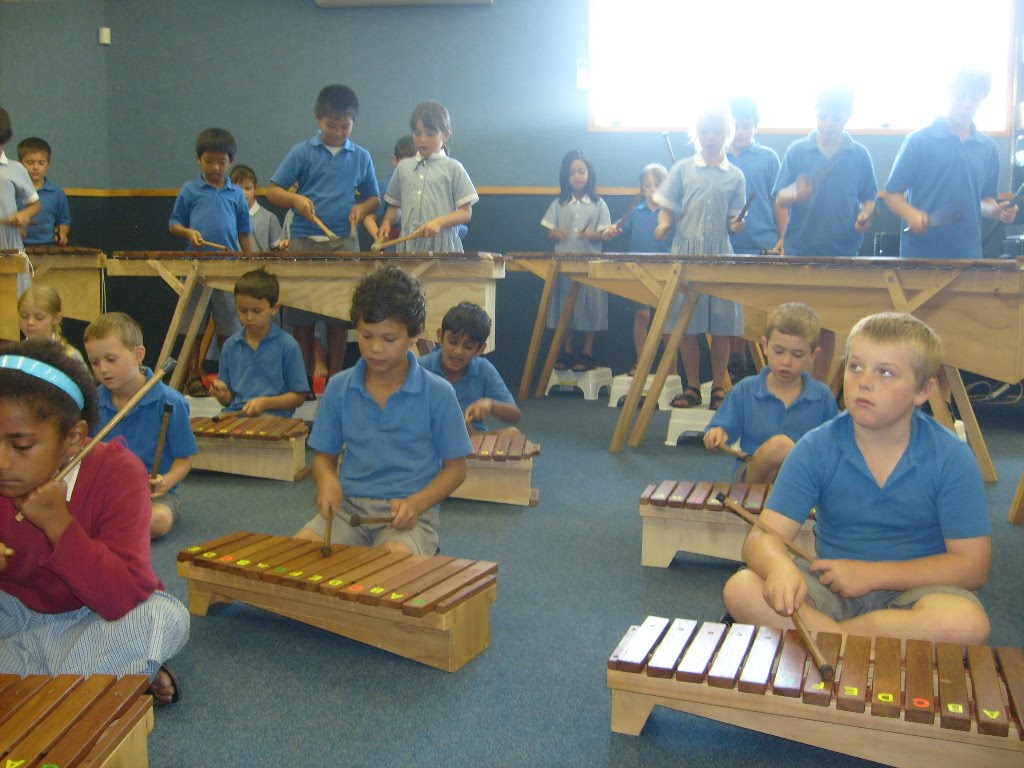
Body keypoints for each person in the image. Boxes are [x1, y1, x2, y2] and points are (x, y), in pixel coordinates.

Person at [722, 313, 991, 646]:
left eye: (886, 372)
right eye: (856, 367)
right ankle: (864, 643)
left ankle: (832, 642)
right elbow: (761, 538)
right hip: (832, 591)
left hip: (918, 592)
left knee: (966, 622)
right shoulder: (815, 447)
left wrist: (873, 575)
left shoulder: (952, 458)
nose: (864, 382)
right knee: (741, 588)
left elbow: (972, 567)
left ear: (923, 390)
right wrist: (778, 566)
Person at [0, 338, 189, 704]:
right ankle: (108, 680)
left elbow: (120, 598)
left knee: (160, 617)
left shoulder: (118, 473)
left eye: (21, 446)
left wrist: (59, 524)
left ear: (74, 438)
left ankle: (51, 686)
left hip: (94, 616)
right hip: (13, 613)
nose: (2, 462)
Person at [295, 266, 471, 555]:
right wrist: (327, 481)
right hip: (347, 512)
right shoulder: (339, 388)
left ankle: (420, 552)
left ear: (416, 333)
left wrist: (416, 504)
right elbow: (323, 459)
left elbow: (457, 469)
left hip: (408, 516)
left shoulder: (438, 394)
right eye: (366, 336)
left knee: (387, 572)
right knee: (296, 558)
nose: (375, 348)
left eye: (389, 339)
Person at [267, 84, 380, 378]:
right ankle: (303, 382)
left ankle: (335, 379)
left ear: (353, 122)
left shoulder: (360, 156)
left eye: (345, 126)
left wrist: (362, 209)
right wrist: (295, 199)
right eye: (332, 125)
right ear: (318, 119)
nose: (339, 132)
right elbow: (273, 192)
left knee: (340, 317)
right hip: (304, 241)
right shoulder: (302, 152)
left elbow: (374, 198)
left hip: (344, 242)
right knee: (302, 316)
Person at [773, 85, 878, 382]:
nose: (828, 123)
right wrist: (795, 192)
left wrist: (865, 214)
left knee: (827, 325)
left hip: (841, 251)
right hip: (801, 249)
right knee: (796, 325)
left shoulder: (859, 155)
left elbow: (869, 196)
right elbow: (779, 195)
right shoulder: (797, 151)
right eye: (823, 116)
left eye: (835, 117)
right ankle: (793, 385)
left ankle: (818, 389)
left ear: (847, 117)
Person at [653, 106, 746, 410]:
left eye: (716, 131)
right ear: (697, 133)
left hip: (719, 256)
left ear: (726, 134)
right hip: (685, 255)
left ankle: (718, 387)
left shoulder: (735, 175)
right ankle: (691, 386)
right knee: (685, 326)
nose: (710, 137)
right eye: (704, 131)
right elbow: (666, 206)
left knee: (721, 327)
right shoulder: (682, 168)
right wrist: (664, 223)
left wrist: (736, 225)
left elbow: (735, 219)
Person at [881, 67, 1018, 260]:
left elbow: (983, 200)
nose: (966, 104)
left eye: (974, 99)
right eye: (960, 96)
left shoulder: (988, 148)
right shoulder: (918, 141)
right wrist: (911, 214)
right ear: (947, 93)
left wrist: (995, 210)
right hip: (920, 256)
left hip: (968, 255)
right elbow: (892, 194)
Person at [83, 312, 197, 540]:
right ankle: (115, 527)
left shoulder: (171, 402)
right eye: (95, 362)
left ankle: (107, 529)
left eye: (111, 360)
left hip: (154, 498)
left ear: (138, 354)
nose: (102, 369)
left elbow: (185, 459)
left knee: (160, 520)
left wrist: (167, 482)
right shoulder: (93, 402)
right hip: (108, 493)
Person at [703, 303, 838, 483]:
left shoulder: (822, 397)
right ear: (765, 345)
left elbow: (834, 446)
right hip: (753, 476)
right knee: (780, 446)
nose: (786, 361)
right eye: (778, 351)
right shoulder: (745, 390)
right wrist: (716, 434)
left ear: (813, 355)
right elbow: (721, 429)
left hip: (804, 480)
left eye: (797, 355)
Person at [168, 127, 254, 392]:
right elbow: (174, 224)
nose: (215, 167)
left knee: (228, 323)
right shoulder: (190, 190)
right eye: (209, 161)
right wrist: (187, 232)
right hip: (196, 266)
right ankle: (193, 372)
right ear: (198, 160)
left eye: (221, 162)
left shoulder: (236, 194)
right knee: (192, 324)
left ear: (231, 162)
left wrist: (251, 265)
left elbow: (244, 232)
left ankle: (226, 374)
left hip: (227, 268)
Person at [726, 98, 785, 382]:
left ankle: (767, 372)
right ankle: (734, 364)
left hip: (763, 243)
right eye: (735, 125)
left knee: (763, 314)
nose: (740, 131)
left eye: (746, 126)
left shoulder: (768, 158)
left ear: (755, 127)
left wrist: (784, 238)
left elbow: (779, 202)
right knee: (730, 312)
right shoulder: (717, 157)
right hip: (726, 247)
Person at [542, 149, 615, 372]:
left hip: (589, 268)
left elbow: (605, 234)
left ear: (589, 173)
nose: (577, 176)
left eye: (581, 171)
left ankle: (587, 352)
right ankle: (568, 351)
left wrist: (592, 234)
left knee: (590, 309)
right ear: (566, 176)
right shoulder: (559, 203)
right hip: (564, 267)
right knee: (566, 309)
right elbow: (548, 231)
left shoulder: (599, 204)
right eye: (572, 173)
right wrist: (557, 233)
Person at [377, 101, 478, 253]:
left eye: (430, 134)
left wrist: (439, 222)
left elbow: (465, 213)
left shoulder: (454, 168)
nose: (422, 139)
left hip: (443, 249)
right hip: (409, 247)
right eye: (417, 133)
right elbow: (395, 205)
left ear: (446, 135)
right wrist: (386, 223)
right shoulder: (403, 168)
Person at [210, 268, 308, 418]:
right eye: (242, 310)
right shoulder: (230, 345)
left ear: (274, 308)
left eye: (257, 311)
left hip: (274, 418)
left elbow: (298, 397)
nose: (249, 317)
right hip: (236, 415)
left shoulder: (288, 346)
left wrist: (266, 403)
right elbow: (229, 400)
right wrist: (222, 395)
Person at [607, 163, 672, 375]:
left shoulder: (671, 213)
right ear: (641, 187)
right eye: (647, 185)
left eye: (657, 185)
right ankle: (642, 363)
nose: (652, 189)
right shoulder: (636, 212)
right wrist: (611, 231)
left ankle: (671, 368)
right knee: (642, 316)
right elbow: (616, 230)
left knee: (668, 321)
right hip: (640, 271)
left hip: (668, 271)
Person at [419, 301, 521, 435]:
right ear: (440, 336)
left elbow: (515, 415)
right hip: (431, 438)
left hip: (473, 438)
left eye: (468, 346)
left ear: (480, 349)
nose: (458, 351)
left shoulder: (484, 369)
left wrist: (490, 404)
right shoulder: (420, 368)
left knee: (512, 434)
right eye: (453, 342)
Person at [0, 107, 41, 295]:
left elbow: (35, 204)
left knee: (12, 298)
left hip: (7, 241)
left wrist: (23, 215)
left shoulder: (16, 169)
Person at [16, 137, 71, 246]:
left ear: (48, 165)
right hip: (17, 247)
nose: (36, 167)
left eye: (41, 163)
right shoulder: (13, 191)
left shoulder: (57, 193)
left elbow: (64, 221)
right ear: (20, 164)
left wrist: (62, 234)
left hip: (48, 246)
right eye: (30, 162)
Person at [364, 134, 416, 244]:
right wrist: (379, 238)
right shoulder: (386, 188)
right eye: (405, 165)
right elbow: (369, 219)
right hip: (392, 244)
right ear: (395, 160)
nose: (410, 171)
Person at [18, 285, 85, 365]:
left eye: (39, 317)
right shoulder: (16, 354)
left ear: (56, 319)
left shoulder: (70, 356)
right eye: (24, 316)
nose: (30, 322)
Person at [230, 164, 284, 251]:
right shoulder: (227, 217)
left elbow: (278, 251)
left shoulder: (270, 218)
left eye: (247, 188)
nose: (243, 193)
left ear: (256, 188)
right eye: (238, 189)